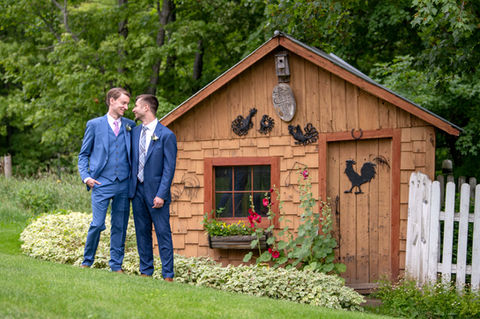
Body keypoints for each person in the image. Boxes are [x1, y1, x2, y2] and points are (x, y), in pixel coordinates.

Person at [78, 87, 136, 272]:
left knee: (120, 225)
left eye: (127, 103)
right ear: (112, 100)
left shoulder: (130, 125)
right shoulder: (94, 125)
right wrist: (86, 177)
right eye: (123, 103)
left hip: (123, 184)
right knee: (97, 224)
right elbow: (83, 154)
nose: (126, 107)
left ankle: (116, 265)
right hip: (101, 183)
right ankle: (87, 261)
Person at [129, 94, 177, 281]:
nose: (133, 109)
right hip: (137, 191)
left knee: (163, 233)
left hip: (157, 194)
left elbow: (169, 168)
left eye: (136, 105)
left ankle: (168, 275)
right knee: (142, 233)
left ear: (146, 108)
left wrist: (161, 194)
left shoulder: (166, 135)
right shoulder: (133, 132)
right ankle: (146, 271)